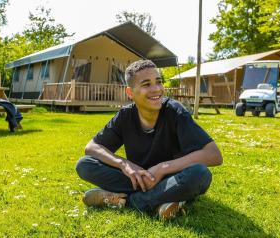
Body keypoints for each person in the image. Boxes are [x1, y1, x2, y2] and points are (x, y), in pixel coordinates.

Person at [75, 60, 223, 219]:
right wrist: (125, 165)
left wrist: (162, 168)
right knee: (85, 164)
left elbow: (214, 155)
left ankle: (128, 201)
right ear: (130, 93)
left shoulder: (175, 111)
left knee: (200, 173)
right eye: (146, 84)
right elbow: (91, 147)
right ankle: (163, 200)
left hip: (172, 179)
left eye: (158, 82)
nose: (156, 89)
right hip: (138, 179)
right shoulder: (125, 115)